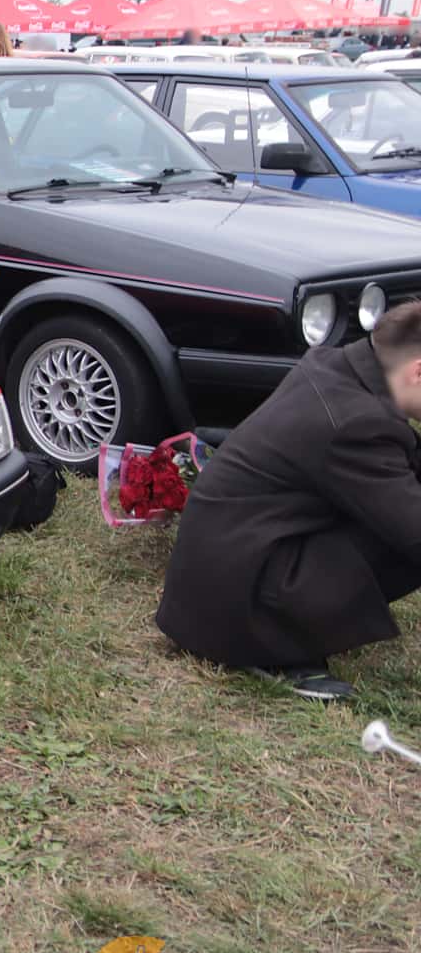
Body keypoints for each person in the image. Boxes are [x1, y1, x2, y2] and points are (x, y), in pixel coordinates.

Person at [157, 300, 421, 700]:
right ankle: (278, 652)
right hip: (236, 610)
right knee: (403, 539)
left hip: (220, 573)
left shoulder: (337, 367)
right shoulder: (357, 423)